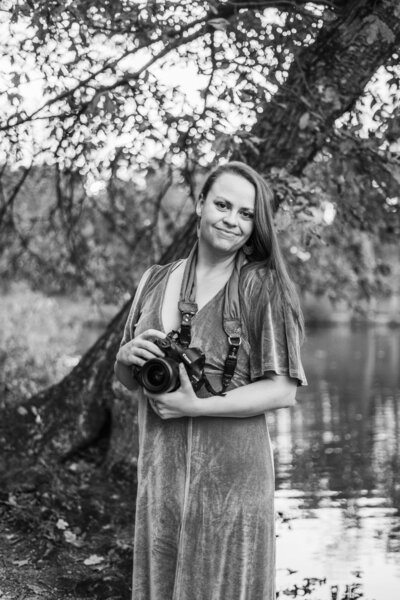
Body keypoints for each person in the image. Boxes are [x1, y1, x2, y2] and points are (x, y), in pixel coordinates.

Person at [114, 161, 307, 600]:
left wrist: (197, 406)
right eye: (222, 205)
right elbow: (127, 379)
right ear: (200, 205)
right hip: (160, 479)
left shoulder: (264, 287)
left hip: (232, 486)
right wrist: (125, 357)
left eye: (245, 214)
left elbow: (283, 390)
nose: (231, 220)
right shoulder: (154, 280)